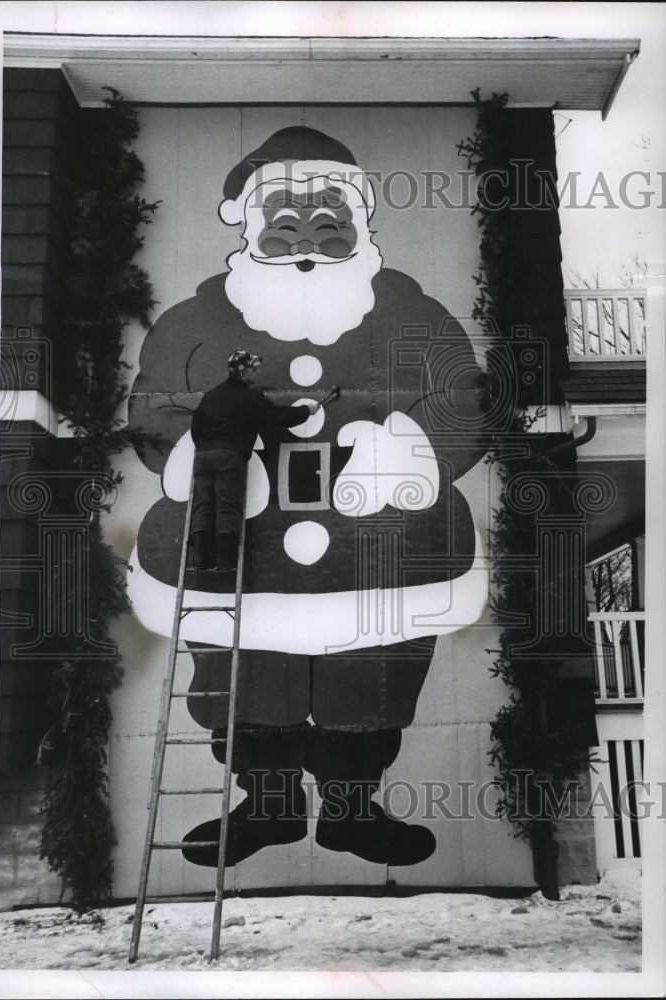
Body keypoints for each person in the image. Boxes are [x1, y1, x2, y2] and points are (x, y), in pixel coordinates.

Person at [128, 126, 489, 870]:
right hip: (243, 550)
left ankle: (353, 811)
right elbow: (153, 409)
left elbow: (465, 401)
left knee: (373, 675)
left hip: (379, 549)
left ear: (359, 224)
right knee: (242, 673)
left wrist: (409, 452)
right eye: (286, 224)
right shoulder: (193, 323)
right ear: (250, 223)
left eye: (330, 224)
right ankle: (267, 805)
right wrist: (204, 457)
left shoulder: (411, 315)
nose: (307, 239)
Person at [188, 348, 319, 573]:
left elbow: (195, 428)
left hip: (203, 457)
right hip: (229, 457)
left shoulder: (211, 396)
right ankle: (226, 561)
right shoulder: (250, 397)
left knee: (204, 505)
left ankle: (200, 557)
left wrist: (206, 448)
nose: (256, 373)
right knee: (228, 506)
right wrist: (307, 410)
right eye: (253, 369)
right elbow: (280, 417)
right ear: (243, 371)